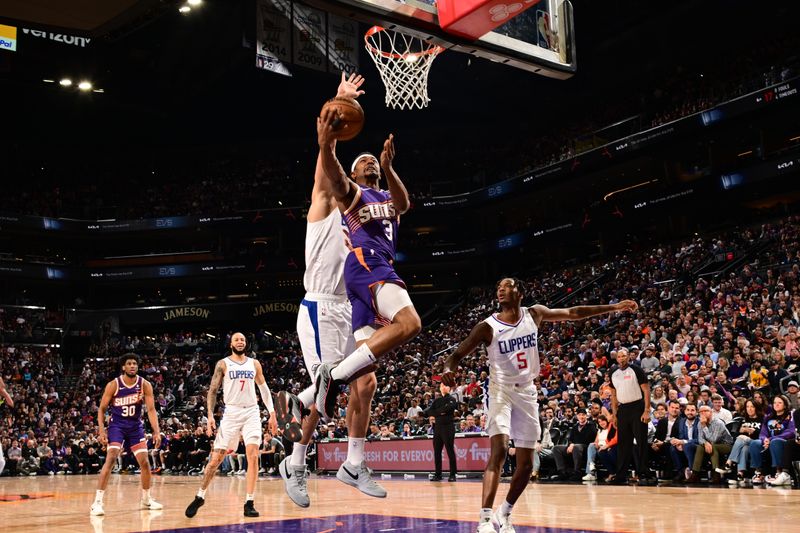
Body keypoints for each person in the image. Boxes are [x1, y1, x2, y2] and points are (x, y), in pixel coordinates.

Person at [442, 277, 636, 533]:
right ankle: (485, 519)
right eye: (497, 287)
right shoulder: (487, 326)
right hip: (500, 390)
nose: (500, 290)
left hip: (527, 392)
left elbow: (573, 313)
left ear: (519, 291)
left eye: (505, 286)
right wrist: (448, 368)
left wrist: (613, 307)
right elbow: (457, 354)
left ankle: (505, 513)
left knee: (525, 463)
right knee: (499, 451)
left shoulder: (535, 314)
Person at [312, 96, 422, 497]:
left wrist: (390, 167)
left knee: (367, 383)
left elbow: (405, 204)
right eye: (365, 164)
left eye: (372, 163)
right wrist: (327, 145)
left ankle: (353, 462)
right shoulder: (355, 197)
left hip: (365, 280)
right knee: (410, 323)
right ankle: (332, 377)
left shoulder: (388, 199)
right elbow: (336, 176)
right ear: (357, 174)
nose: (370, 165)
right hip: (369, 265)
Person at [275, 72, 367, 509]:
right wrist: (338, 102)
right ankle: (295, 463)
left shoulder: (365, 216)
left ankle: (354, 462)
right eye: (358, 169)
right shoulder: (326, 202)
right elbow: (325, 154)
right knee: (327, 385)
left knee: (363, 385)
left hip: (351, 310)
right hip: (319, 308)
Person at [184, 332, 278, 519]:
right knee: (216, 459)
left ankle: (249, 502)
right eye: (236, 339)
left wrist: (272, 413)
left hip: (251, 411)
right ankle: (200, 495)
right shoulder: (223, 364)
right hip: (232, 412)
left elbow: (264, 389)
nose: (240, 342)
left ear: (246, 343)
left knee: (253, 455)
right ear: (231, 344)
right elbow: (212, 390)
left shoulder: (254, 363)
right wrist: (210, 415)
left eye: (243, 339)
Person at [91, 353, 162, 516]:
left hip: (135, 426)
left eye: (135, 364)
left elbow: (151, 410)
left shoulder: (145, 384)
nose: (132, 366)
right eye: (129, 363)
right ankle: (97, 502)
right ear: (123, 367)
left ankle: (146, 499)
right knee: (111, 458)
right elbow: (101, 409)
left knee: (144, 462)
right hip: (117, 426)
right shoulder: (113, 384)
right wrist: (101, 430)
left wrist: (157, 431)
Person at [608, 347, 655, 485]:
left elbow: (646, 390)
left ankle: (643, 473)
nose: (621, 359)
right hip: (623, 409)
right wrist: (615, 414)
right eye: (619, 357)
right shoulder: (613, 373)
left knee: (641, 442)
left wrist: (647, 410)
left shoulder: (636, 370)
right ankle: (621, 475)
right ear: (616, 359)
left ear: (629, 357)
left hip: (638, 407)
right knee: (623, 444)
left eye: (623, 356)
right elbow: (613, 395)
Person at [748, 394, 795, 485]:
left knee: (775, 442)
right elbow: (762, 433)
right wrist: (764, 439)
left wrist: (771, 439)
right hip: (769, 441)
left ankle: (778, 472)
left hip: (783, 441)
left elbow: (791, 432)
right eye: (774, 403)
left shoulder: (790, 416)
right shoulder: (768, 417)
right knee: (755, 443)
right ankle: (759, 473)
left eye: (779, 403)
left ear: (785, 405)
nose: (776, 405)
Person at [422, 382, 459, 481]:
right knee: (437, 452)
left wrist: (436, 412)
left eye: (446, 386)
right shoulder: (437, 400)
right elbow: (429, 412)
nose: (443, 387)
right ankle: (438, 474)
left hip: (448, 427)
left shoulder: (452, 399)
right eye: (442, 386)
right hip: (437, 428)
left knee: (450, 450)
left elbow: (448, 408)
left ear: (449, 388)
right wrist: (440, 412)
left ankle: (452, 475)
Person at [687, 405, 733, 484]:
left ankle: (716, 474)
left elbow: (713, 440)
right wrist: (705, 443)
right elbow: (700, 439)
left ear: (711, 413)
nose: (703, 413)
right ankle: (695, 474)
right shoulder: (699, 423)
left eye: (705, 411)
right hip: (712, 445)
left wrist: (704, 426)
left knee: (713, 446)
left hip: (726, 446)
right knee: (700, 447)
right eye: (701, 412)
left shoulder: (718, 423)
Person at [0, 376, 14, 476]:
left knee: (1, 462)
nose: (3, 384)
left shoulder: (3, 395)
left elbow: (11, 404)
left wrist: (4, 392)